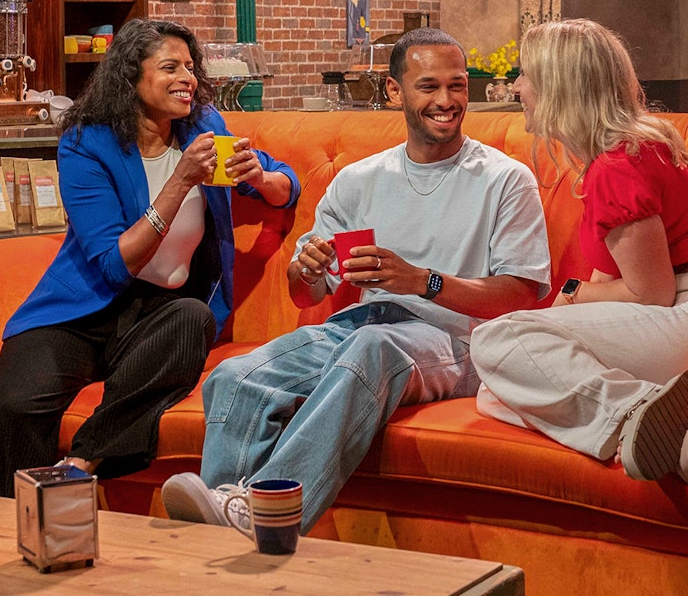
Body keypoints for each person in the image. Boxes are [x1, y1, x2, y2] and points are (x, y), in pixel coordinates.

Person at [160, 27, 551, 532]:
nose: (446, 101)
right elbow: (305, 295)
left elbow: (520, 295)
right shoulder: (360, 179)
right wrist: (306, 269)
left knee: (371, 347)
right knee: (234, 377)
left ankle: (266, 515)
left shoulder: (505, 178)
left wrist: (422, 281)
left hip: (458, 339)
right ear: (394, 91)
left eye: (456, 86)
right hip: (359, 327)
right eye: (429, 86)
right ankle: (225, 523)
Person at [0, 19, 299, 497]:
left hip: (161, 313)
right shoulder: (87, 142)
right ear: (130, 76)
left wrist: (261, 179)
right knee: (12, 404)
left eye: (190, 67)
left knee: (193, 319)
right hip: (82, 312)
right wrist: (180, 181)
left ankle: (79, 464)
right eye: (170, 67)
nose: (187, 78)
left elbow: (287, 185)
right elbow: (113, 264)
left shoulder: (204, 127)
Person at [470, 19, 688, 486]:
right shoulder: (615, 157)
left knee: (495, 341)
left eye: (525, 74)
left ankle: (634, 413)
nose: (517, 87)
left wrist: (574, 293)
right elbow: (614, 289)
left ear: (558, 86)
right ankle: (676, 436)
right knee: (496, 391)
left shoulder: (618, 164)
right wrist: (575, 303)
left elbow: (651, 294)